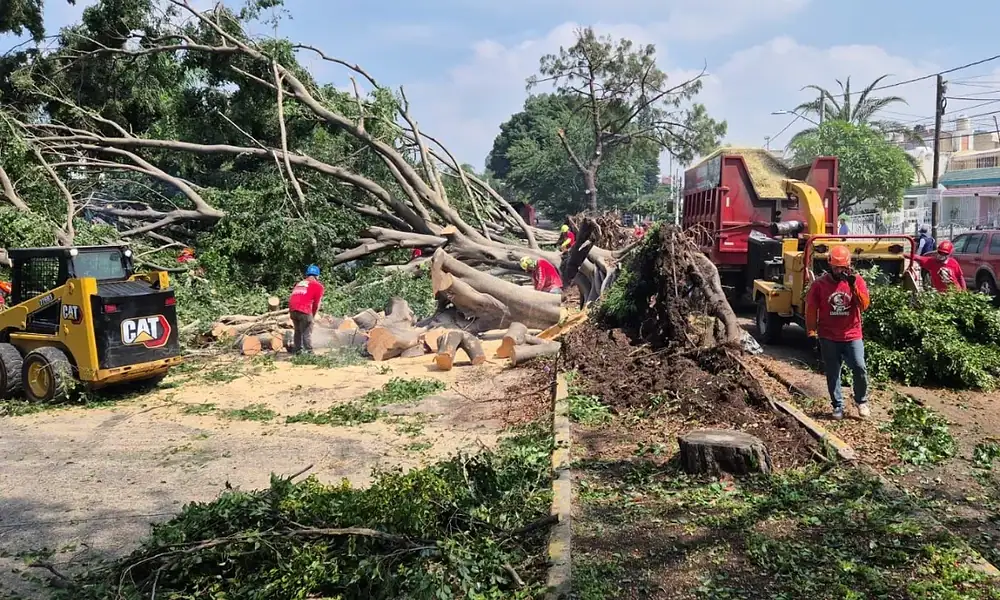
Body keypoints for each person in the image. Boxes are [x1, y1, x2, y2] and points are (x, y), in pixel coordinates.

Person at [805, 245, 871, 421]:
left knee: (859, 367)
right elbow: (811, 309)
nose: (839, 270)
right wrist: (811, 332)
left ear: (848, 266)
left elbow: (864, 305)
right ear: (829, 265)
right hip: (828, 336)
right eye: (836, 267)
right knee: (833, 372)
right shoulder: (819, 285)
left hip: (852, 334)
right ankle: (838, 405)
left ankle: (861, 401)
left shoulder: (856, 281)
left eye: (842, 267)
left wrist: (853, 286)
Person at [288, 264, 325, 354]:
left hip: (292, 309)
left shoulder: (300, 283)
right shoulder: (318, 286)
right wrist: (313, 316)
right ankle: (309, 353)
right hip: (304, 308)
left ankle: (298, 351)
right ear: (317, 276)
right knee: (306, 331)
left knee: (297, 330)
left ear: (307, 274)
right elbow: (316, 303)